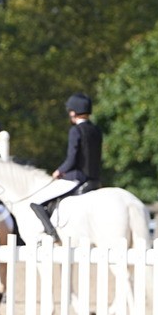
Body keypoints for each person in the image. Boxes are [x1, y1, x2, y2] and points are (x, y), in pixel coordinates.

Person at [29, 93, 103, 242]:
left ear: (73, 112)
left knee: (36, 201)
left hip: (77, 178)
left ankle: (51, 233)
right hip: (95, 178)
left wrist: (59, 171)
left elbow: (72, 159)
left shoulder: (75, 131)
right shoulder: (96, 130)